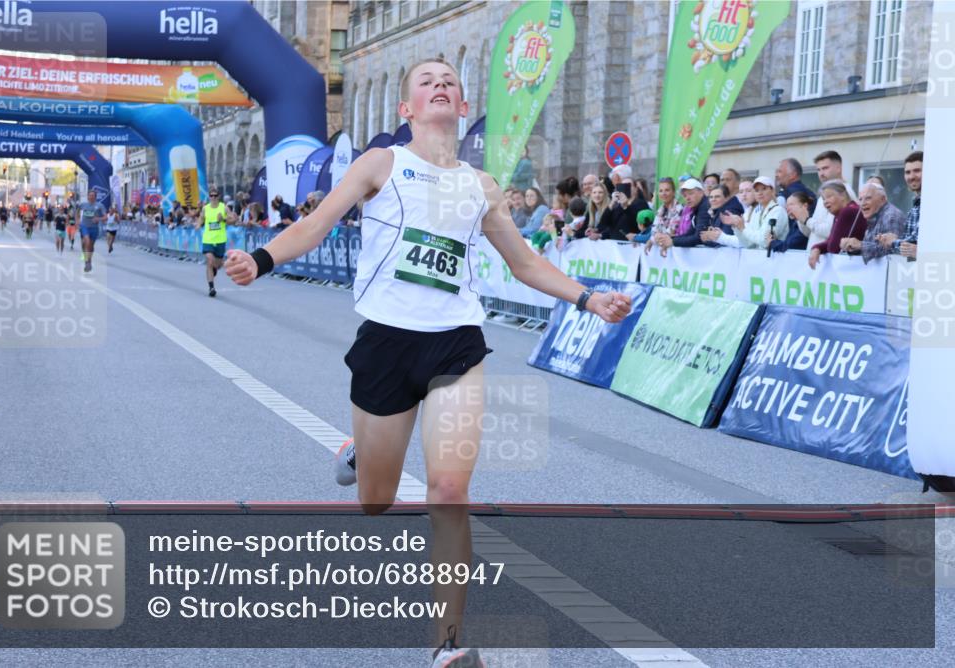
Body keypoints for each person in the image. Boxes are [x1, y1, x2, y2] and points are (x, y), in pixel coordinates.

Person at [224, 58, 631, 667]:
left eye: (450, 82)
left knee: (447, 490)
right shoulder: (380, 164)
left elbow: (524, 264)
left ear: (462, 108)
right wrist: (261, 259)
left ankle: (446, 646)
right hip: (387, 343)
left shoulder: (482, 185)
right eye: (427, 81)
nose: (441, 85)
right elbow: (316, 224)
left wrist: (587, 297)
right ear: (406, 109)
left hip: (455, 342)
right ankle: (360, 451)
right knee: (376, 502)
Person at [803, 150, 855, 250]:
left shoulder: (845, 193)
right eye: (818, 170)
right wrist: (801, 218)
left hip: (829, 258)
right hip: (816, 257)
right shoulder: (825, 193)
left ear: (838, 168)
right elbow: (811, 233)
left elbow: (831, 230)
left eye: (825, 168)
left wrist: (806, 220)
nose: (821, 173)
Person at [808, 180, 866, 269]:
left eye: (829, 197)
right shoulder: (841, 213)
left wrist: (819, 248)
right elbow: (831, 241)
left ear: (842, 195)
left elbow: (833, 247)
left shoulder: (848, 211)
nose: (825, 202)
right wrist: (817, 248)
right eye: (823, 199)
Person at [842, 182, 905, 263]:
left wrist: (861, 245)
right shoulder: (874, 216)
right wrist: (853, 248)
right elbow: (872, 250)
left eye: (868, 198)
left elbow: (892, 251)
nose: (863, 203)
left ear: (882, 199)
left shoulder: (891, 216)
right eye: (860, 199)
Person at [877, 150, 923, 261]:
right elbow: (910, 245)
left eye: (917, 171)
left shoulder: (934, 203)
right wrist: (895, 240)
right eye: (907, 172)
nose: (911, 176)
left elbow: (914, 245)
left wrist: (893, 241)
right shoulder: (915, 206)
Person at [724, 176, 788, 250]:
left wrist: (743, 228)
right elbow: (749, 244)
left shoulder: (778, 211)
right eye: (756, 190)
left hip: (775, 259)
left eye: (764, 189)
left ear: (772, 191)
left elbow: (764, 241)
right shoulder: (756, 212)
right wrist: (737, 227)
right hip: (760, 259)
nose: (760, 193)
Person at [195, 188, 237, 297]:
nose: (213, 197)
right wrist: (198, 224)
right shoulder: (205, 208)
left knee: (217, 265)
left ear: (219, 196)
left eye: (215, 195)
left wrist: (223, 219)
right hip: (208, 240)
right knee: (209, 260)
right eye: (211, 196)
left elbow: (233, 220)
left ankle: (214, 268)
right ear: (209, 197)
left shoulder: (224, 207)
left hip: (220, 240)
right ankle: (211, 287)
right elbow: (201, 218)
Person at [652, 178, 710, 251]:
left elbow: (698, 237)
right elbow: (690, 234)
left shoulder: (705, 206)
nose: (687, 198)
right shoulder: (697, 207)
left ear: (701, 192)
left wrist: (672, 241)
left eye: (691, 193)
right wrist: (670, 239)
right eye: (685, 196)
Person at [601, 176, 649, 240]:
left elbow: (638, 224)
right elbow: (605, 223)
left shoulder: (641, 203)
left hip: (632, 244)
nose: (626, 187)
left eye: (629, 185)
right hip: (615, 244)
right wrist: (612, 203)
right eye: (623, 185)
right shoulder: (617, 205)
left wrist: (626, 206)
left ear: (635, 188)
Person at [76, 191, 107, 272]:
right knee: (87, 241)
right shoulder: (83, 205)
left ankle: (89, 260)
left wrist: (98, 219)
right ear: (87, 196)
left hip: (94, 228)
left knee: (91, 246)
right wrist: (78, 220)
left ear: (95, 197)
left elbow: (105, 217)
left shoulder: (100, 206)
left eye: (93, 195)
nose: (91, 197)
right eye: (90, 195)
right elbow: (77, 212)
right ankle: (87, 261)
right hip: (84, 226)